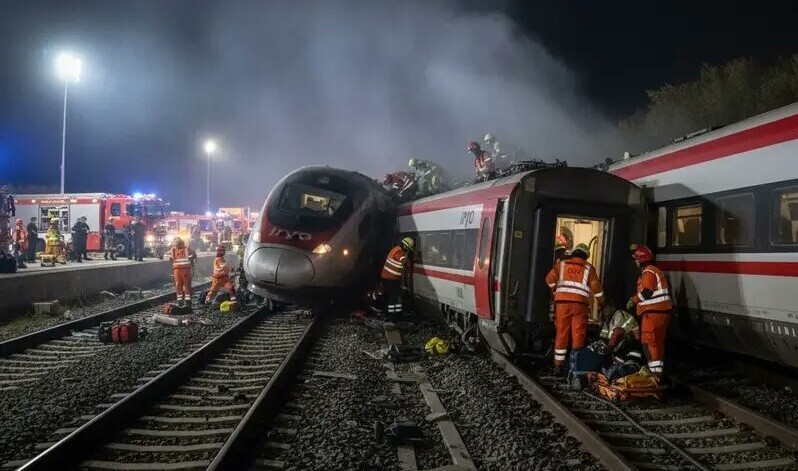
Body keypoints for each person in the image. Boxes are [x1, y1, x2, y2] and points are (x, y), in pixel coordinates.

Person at [545, 243, 604, 374]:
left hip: (562, 304)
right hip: (580, 305)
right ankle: (576, 366)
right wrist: (601, 303)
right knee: (578, 334)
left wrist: (555, 290)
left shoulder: (561, 264)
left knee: (561, 333)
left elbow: (549, 279)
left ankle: (558, 366)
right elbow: (596, 286)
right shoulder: (588, 268)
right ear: (586, 255)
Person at [626, 244, 673, 378]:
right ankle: (657, 373)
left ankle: (654, 376)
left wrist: (633, 300)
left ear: (641, 259)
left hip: (653, 315)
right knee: (657, 344)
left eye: (636, 259)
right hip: (660, 313)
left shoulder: (648, 272)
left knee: (649, 343)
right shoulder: (655, 271)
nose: (635, 262)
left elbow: (647, 292)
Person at [380, 237, 414, 318]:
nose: (408, 250)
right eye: (408, 249)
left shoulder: (396, 249)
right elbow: (404, 262)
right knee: (393, 298)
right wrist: (408, 261)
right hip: (390, 279)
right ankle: (392, 316)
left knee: (394, 297)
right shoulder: (399, 252)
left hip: (391, 278)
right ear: (405, 246)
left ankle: (396, 314)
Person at [169, 237, 194, 305]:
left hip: (177, 270)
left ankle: (180, 300)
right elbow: (191, 257)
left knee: (178, 284)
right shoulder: (187, 249)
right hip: (186, 270)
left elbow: (171, 259)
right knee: (187, 284)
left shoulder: (173, 250)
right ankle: (188, 300)